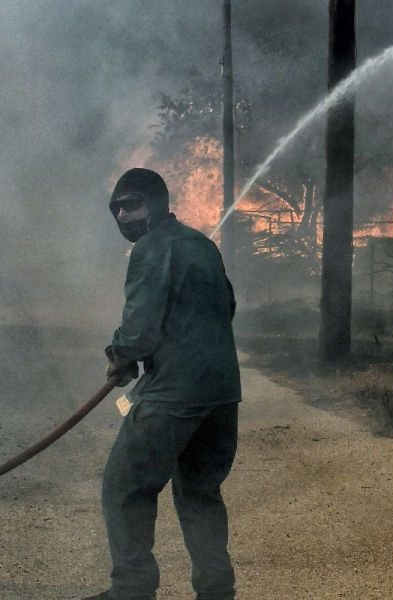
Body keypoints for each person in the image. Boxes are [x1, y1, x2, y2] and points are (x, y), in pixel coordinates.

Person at [82, 168, 242, 600]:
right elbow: (226, 305)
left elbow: (139, 328)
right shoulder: (202, 244)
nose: (122, 215)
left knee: (124, 486)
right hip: (222, 393)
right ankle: (216, 592)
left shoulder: (153, 247)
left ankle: (131, 591)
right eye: (116, 208)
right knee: (199, 492)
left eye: (131, 204)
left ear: (157, 203)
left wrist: (121, 354)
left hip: (174, 392)